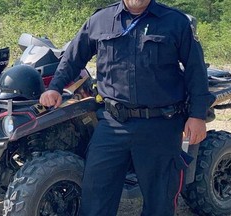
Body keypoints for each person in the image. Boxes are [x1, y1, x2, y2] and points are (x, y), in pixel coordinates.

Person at [39, 0, 214, 215]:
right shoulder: (100, 20)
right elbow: (73, 58)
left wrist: (197, 115)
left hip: (160, 125)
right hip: (113, 125)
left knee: (160, 201)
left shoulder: (175, 22)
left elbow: (196, 70)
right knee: (95, 196)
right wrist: (54, 87)